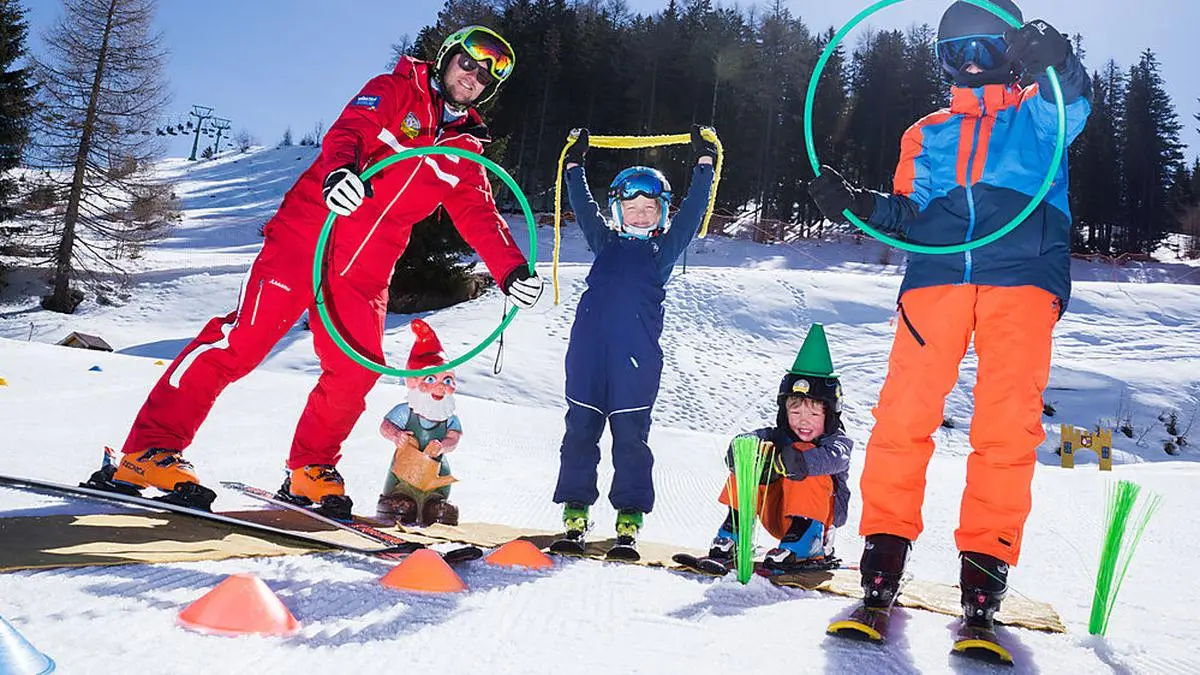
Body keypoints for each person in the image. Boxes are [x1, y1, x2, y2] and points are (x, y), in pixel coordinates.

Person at [96, 26, 544, 519]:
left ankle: (311, 469)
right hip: (307, 236)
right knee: (241, 343)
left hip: (365, 267)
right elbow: (350, 131)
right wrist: (339, 173)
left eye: (485, 77)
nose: (473, 78)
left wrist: (512, 270)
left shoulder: (465, 153)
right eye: (468, 64)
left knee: (357, 369)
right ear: (446, 58)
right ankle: (147, 451)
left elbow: (480, 215)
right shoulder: (399, 91)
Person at [807, 0, 1091, 627]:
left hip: (1020, 276)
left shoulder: (1037, 115)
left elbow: (1073, 105)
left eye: (985, 50)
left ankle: (985, 576)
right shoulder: (926, 131)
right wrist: (856, 204)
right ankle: (882, 557)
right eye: (953, 53)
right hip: (936, 277)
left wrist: (1058, 63)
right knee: (903, 414)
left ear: (1011, 51)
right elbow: (909, 214)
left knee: (1006, 424)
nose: (968, 64)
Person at [551, 125, 716, 557]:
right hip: (586, 358)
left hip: (635, 365)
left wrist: (703, 166)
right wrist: (574, 165)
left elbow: (693, 213)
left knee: (630, 440)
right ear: (617, 211)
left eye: (650, 207)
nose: (641, 214)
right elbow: (583, 208)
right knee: (579, 435)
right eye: (632, 207)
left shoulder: (663, 253)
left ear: (662, 212)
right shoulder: (604, 243)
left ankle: (629, 516)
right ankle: (575, 512)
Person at [697, 324, 853, 576]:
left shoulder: (838, 443)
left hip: (818, 522)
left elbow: (834, 458)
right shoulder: (778, 435)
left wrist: (793, 464)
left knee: (802, 454)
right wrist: (742, 452)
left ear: (830, 415)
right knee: (753, 452)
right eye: (795, 412)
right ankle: (736, 531)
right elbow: (749, 439)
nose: (804, 420)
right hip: (778, 514)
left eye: (814, 413)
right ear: (784, 412)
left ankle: (807, 545)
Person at [376, 320, 462, 527]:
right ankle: (398, 502)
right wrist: (396, 435)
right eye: (432, 380)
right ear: (414, 382)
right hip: (402, 477)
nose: (441, 387)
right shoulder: (405, 411)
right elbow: (385, 426)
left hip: (435, 476)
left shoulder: (448, 416)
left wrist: (443, 445)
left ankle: (434, 502)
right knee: (401, 505)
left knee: (440, 510)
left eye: (447, 380)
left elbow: (454, 437)